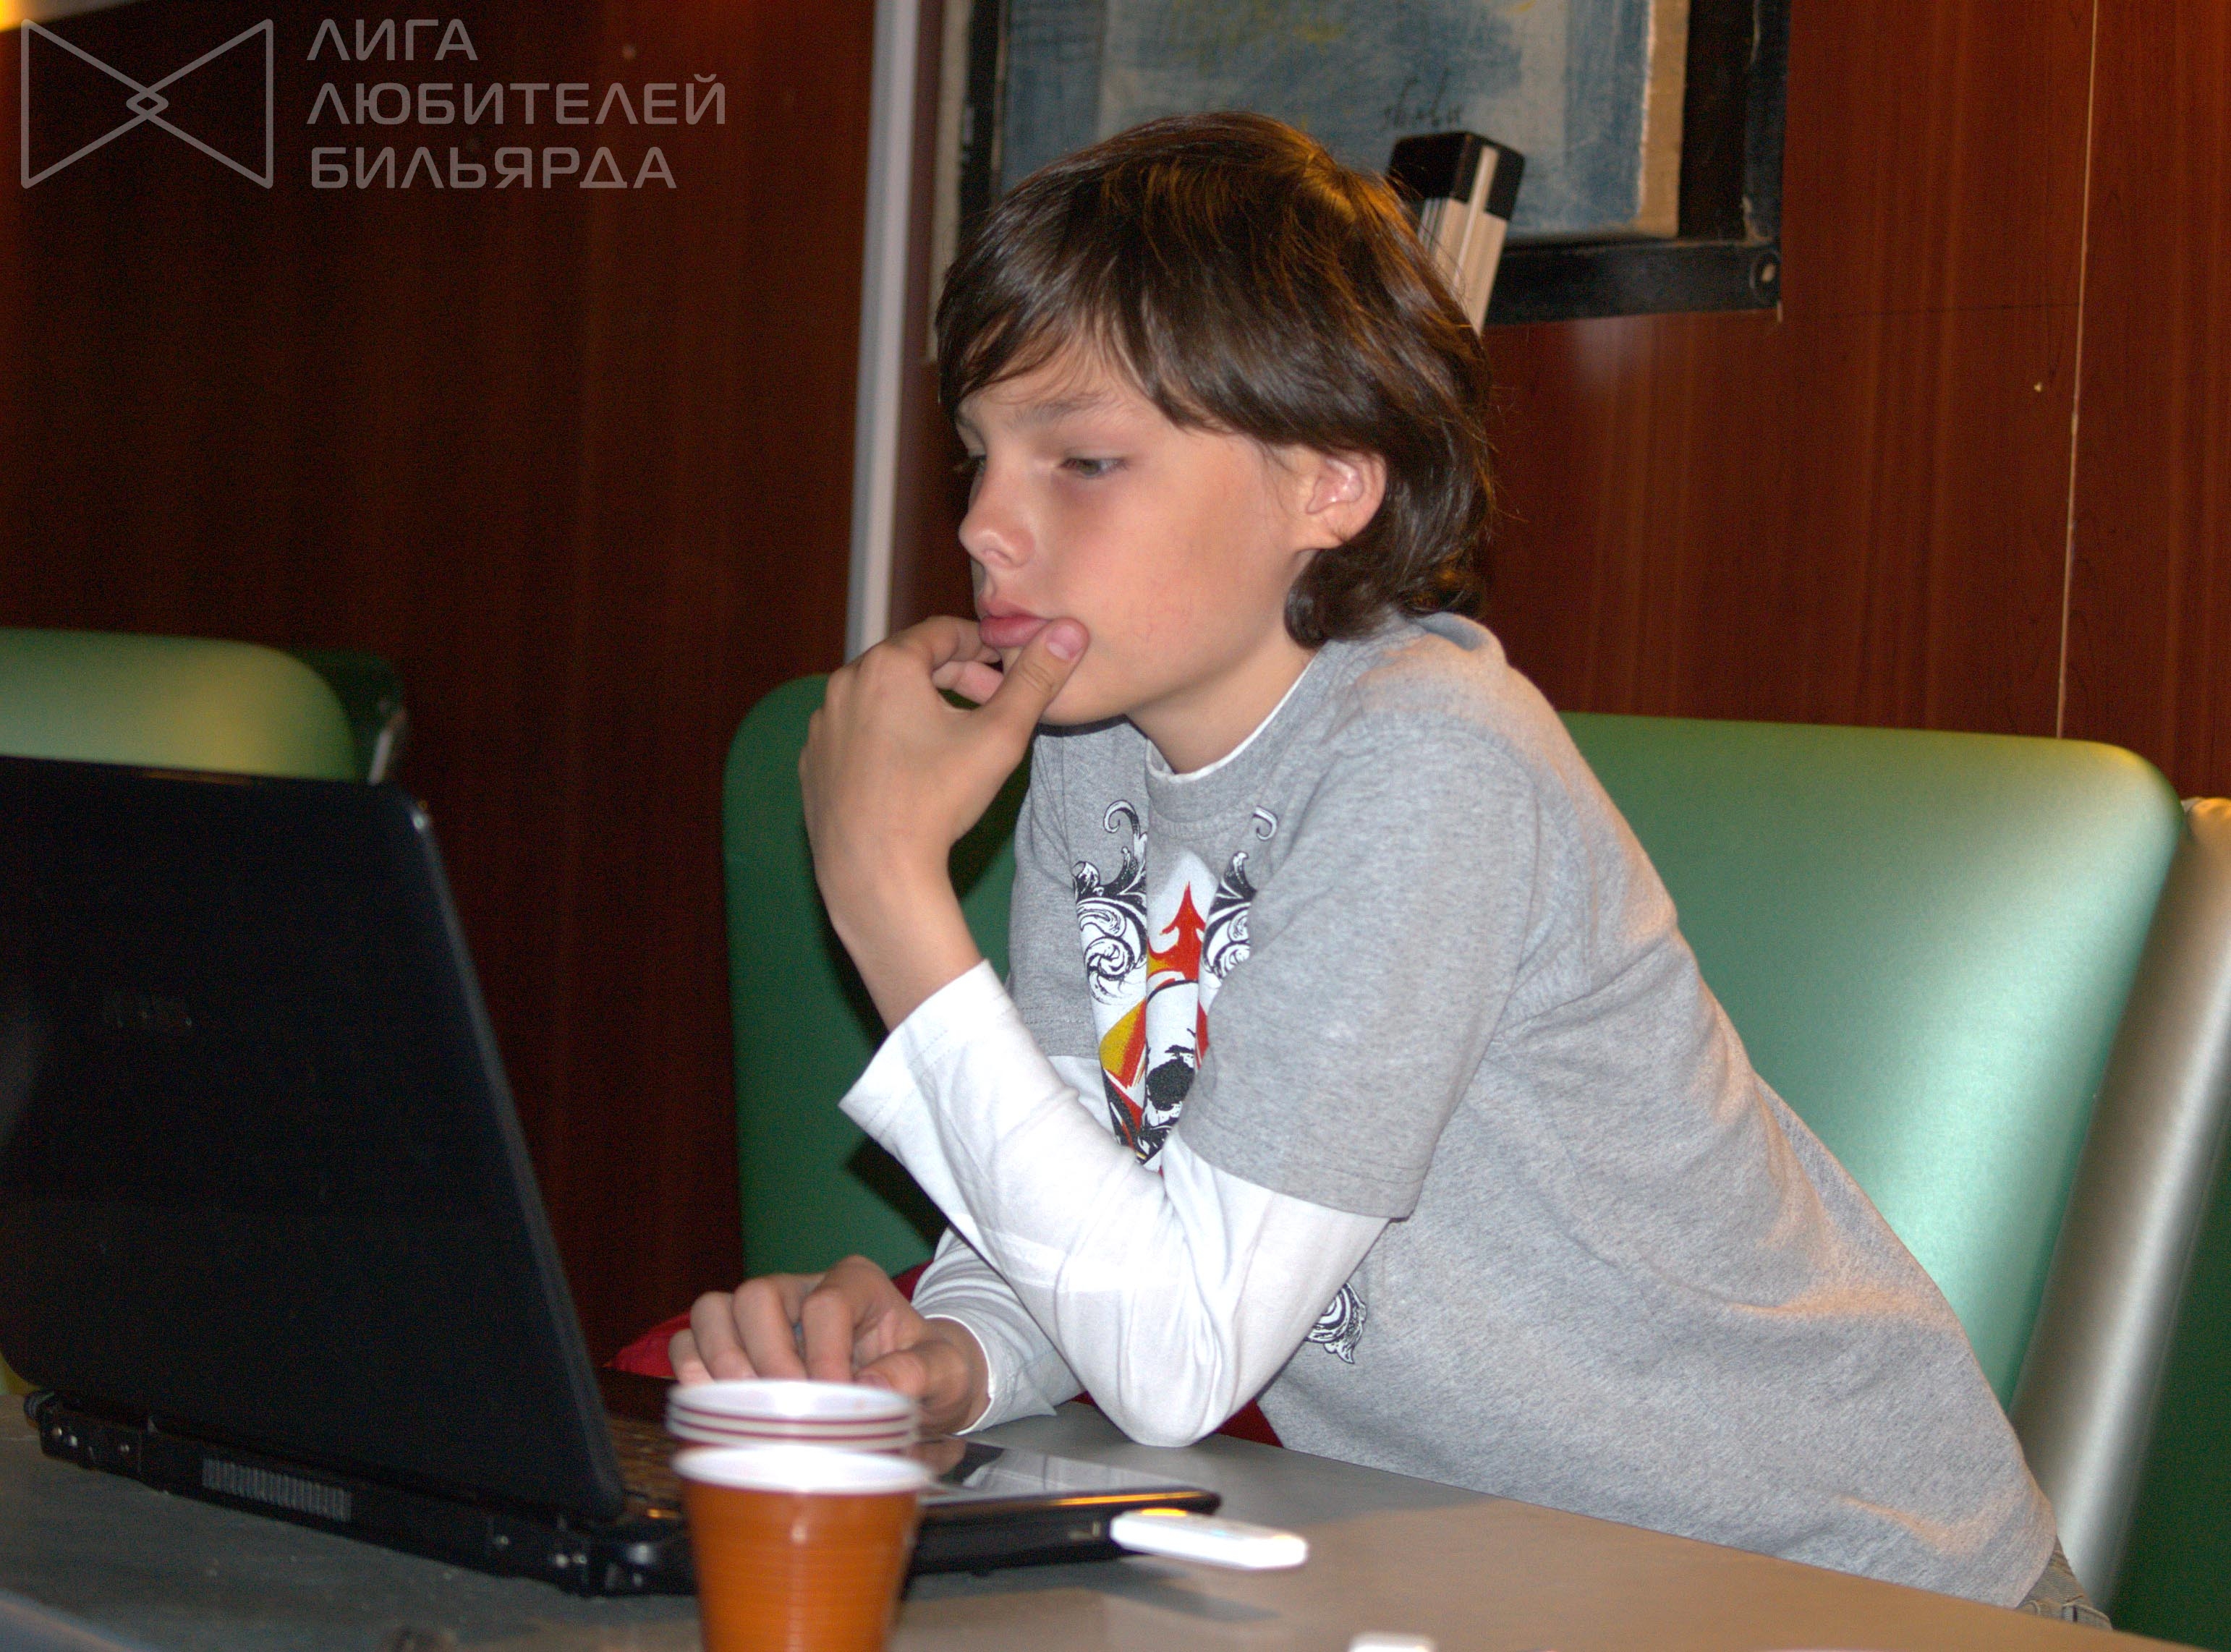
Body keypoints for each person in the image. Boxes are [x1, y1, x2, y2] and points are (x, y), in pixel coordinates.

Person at [673, 111, 2091, 1616]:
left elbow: (1175, 1358)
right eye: (978, 455)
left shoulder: (1429, 757)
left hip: (1840, 1592)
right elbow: (1085, 1198)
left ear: (1331, 485)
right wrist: (957, 1348)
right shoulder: (1095, 750)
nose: (982, 524)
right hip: (1513, 1583)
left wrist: (889, 897)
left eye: (1081, 459)